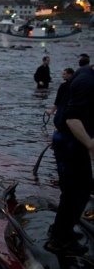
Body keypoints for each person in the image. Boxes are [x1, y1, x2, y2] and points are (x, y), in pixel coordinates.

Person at [47, 54, 94, 255]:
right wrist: (90, 144)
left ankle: (60, 230)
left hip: (65, 141)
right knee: (79, 191)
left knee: (71, 191)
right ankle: (60, 240)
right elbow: (72, 119)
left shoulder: (83, 72)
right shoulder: (87, 82)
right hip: (71, 143)